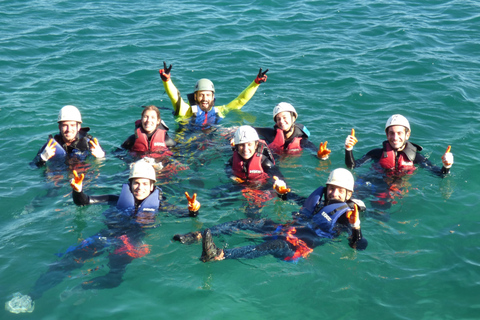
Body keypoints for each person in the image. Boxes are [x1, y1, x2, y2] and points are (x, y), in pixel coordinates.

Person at [5, 159, 201, 314]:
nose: (140, 187)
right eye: (136, 183)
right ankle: (32, 295)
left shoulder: (161, 207)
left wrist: (193, 211)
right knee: (67, 262)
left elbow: (183, 214)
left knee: (114, 278)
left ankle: (82, 287)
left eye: (144, 184)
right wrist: (78, 191)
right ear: (130, 185)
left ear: (152, 187)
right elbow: (84, 202)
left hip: (128, 245)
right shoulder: (115, 200)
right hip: (105, 236)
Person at [173, 168, 367, 263]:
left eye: (340, 191)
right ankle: (197, 235)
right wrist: (283, 192)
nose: (334, 194)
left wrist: (356, 228)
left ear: (348, 195)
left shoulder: (345, 216)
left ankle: (219, 255)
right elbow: (294, 199)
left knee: (271, 246)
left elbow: (359, 246)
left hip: (295, 248)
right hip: (284, 230)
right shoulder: (318, 203)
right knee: (250, 222)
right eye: (332, 189)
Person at [158, 61, 268, 127]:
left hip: (210, 144)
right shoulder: (185, 110)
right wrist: (167, 81)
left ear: (213, 97)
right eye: (201, 95)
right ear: (195, 96)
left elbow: (241, 101)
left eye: (208, 95)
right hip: (186, 146)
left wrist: (256, 83)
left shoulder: (220, 111)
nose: (204, 99)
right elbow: (175, 97)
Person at [344, 114, 454, 176]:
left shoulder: (416, 157)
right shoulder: (376, 153)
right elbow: (352, 166)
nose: (395, 138)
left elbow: (440, 174)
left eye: (400, 133)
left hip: (402, 190)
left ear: (407, 134)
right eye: (391, 133)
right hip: (378, 183)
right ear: (386, 135)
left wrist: (446, 166)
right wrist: (348, 149)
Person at [32, 105, 105, 168]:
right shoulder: (51, 146)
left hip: (81, 174)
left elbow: (108, 161)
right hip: (59, 174)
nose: (69, 129)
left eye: (72, 125)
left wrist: (101, 157)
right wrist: (42, 159)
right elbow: (33, 166)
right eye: (65, 125)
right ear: (59, 127)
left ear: (78, 127)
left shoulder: (90, 144)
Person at [254, 102, 331, 159]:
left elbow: (314, 152)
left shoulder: (301, 141)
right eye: (278, 119)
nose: (281, 121)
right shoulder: (270, 134)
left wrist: (321, 156)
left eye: (285, 117)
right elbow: (250, 130)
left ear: (293, 118)